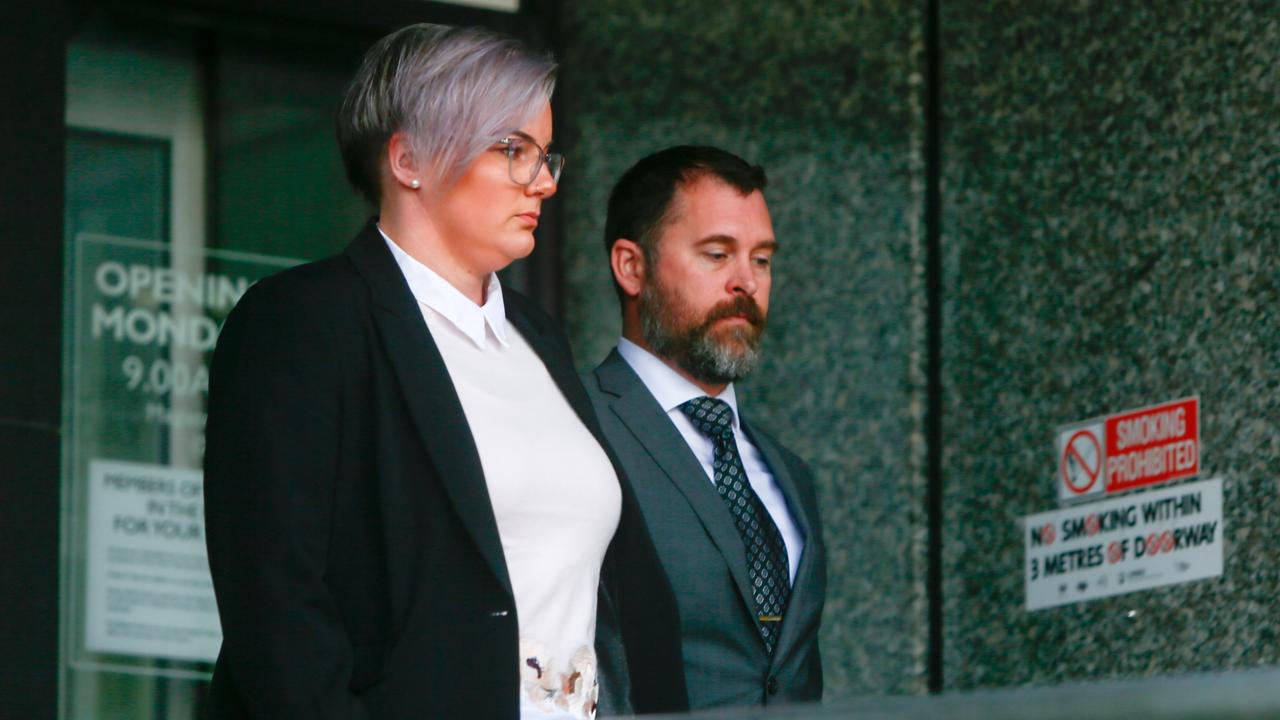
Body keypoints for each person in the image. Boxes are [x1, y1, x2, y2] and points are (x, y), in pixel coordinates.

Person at [203, 24, 686, 720]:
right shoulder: (305, 323)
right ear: (410, 160)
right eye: (513, 150)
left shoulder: (535, 335)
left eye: (546, 155)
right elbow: (277, 610)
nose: (544, 183)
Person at [583, 146, 827, 709]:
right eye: (717, 254)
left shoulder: (790, 475)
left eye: (762, 260)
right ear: (631, 266)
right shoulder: (574, 424)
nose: (747, 281)